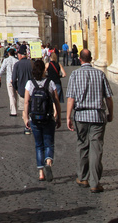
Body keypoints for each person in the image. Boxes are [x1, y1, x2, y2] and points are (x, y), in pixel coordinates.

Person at [66, 49, 114, 193]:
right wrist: (110, 113)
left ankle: (82, 177)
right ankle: (95, 182)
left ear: (80, 59)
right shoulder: (100, 74)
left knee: (82, 146)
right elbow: (109, 97)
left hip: (81, 116)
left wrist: (68, 117)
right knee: (96, 149)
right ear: (91, 59)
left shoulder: (74, 74)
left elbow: (71, 99)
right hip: (97, 116)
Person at [22, 58, 61, 181]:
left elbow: (26, 102)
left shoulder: (30, 83)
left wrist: (25, 117)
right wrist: (58, 116)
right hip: (48, 118)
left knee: (39, 145)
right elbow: (56, 101)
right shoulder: (50, 83)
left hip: (35, 118)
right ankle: (48, 162)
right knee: (49, 143)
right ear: (44, 70)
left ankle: (41, 173)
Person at [12, 49, 35, 133]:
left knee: (24, 110)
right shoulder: (32, 63)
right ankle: (32, 124)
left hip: (22, 90)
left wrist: (16, 88)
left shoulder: (17, 64)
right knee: (32, 108)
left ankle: (27, 127)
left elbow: (13, 79)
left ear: (20, 55)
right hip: (33, 89)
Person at [0, 47, 19, 116]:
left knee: (11, 95)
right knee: (15, 95)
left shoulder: (6, 60)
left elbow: (2, 69)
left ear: (9, 53)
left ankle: (13, 111)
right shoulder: (17, 61)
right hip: (16, 80)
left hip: (9, 80)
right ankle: (16, 108)